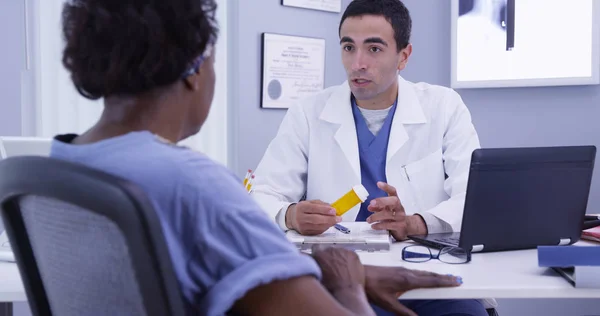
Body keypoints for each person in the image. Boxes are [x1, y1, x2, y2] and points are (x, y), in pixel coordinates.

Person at [50, 0, 461, 315]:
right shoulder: (198, 186)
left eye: (373, 48)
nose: (358, 62)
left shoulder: (55, 168)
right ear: (195, 71)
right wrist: (348, 279)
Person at [251, 0, 491, 315]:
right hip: (339, 283)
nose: (357, 63)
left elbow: (475, 197)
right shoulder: (308, 114)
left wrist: (415, 223)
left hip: (424, 276)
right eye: (349, 47)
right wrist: (291, 214)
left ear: (403, 56)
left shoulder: (443, 107)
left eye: (374, 49)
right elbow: (262, 195)